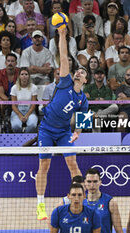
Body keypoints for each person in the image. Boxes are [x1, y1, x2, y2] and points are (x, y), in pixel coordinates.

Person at [36, 27, 88, 220]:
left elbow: (83, 118)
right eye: (78, 70)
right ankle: (40, 204)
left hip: (64, 131)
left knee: (73, 164)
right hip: (47, 129)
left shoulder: (83, 99)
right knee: (44, 165)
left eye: (82, 72)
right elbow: (64, 56)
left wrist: (78, 132)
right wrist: (62, 35)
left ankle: (81, 198)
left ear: (85, 79)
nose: (79, 72)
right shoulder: (65, 81)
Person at [83, 168, 123, 233]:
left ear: (100, 182)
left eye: (95, 181)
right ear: (85, 182)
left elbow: (119, 230)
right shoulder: (80, 202)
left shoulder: (110, 202)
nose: (92, 185)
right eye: (89, 181)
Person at [10, 67, 38, 133]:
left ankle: (27, 140)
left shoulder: (34, 87)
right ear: (19, 76)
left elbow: (33, 104)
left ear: (29, 76)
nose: (24, 76)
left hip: (30, 110)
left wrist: (27, 115)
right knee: (15, 126)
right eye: (22, 74)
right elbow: (13, 105)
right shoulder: (14, 88)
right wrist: (20, 115)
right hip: (17, 110)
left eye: (26, 74)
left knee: (32, 125)